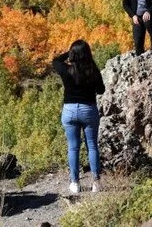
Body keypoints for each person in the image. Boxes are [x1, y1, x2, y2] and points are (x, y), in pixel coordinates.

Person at [53, 40, 106, 195]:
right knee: (92, 146)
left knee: (73, 147)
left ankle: (75, 183)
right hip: (88, 110)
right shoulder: (93, 71)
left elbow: (55, 60)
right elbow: (101, 90)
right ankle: (96, 182)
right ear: (88, 54)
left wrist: (69, 53)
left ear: (72, 54)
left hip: (69, 110)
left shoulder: (66, 70)